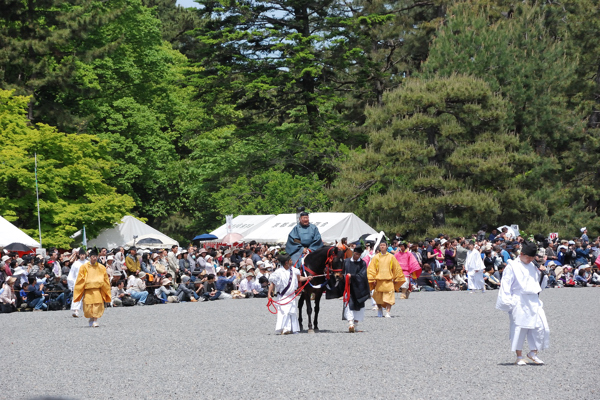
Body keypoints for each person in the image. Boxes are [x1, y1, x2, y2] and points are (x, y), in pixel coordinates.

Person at [496, 241, 549, 365]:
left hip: (533, 299)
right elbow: (506, 284)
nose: (530, 260)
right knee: (520, 327)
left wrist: (542, 273)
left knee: (541, 327)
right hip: (519, 299)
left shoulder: (533, 266)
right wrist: (507, 302)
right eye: (528, 257)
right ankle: (519, 356)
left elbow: (539, 284)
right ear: (522, 254)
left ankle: (533, 352)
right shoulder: (512, 266)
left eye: (532, 257)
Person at [268, 253, 312, 334]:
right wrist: (269, 294)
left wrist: (307, 278)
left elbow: (299, 278)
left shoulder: (294, 270)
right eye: (290, 260)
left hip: (292, 295)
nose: (292, 261)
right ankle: (284, 329)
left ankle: (292, 329)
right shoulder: (278, 272)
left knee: (292, 312)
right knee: (284, 312)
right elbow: (272, 284)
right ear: (286, 262)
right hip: (283, 296)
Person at [73, 248, 111, 327]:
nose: (95, 258)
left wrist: (103, 285)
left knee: (97, 305)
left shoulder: (101, 267)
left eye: (96, 256)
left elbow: (105, 279)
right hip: (88, 289)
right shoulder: (84, 267)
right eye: (93, 256)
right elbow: (80, 278)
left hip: (97, 289)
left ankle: (95, 320)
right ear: (90, 257)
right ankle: (91, 318)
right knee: (88, 306)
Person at [367, 241, 406, 318]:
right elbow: (372, 269)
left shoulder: (391, 257)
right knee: (378, 297)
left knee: (389, 297)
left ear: (386, 246)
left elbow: (396, 268)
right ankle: (380, 309)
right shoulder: (376, 257)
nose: (382, 247)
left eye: (384, 245)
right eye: (381, 245)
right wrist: (372, 278)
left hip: (388, 280)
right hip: (379, 280)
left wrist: (397, 277)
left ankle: (388, 312)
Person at [342, 247, 370, 333]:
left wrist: (352, 276)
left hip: (359, 287)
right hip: (348, 287)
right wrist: (345, 277)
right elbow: (342, 273)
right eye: (355, 253)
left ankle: (356, 326)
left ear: (360, 255)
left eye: (358, 254)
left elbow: (363, 275)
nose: (356, 255)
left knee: (359, 305)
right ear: (353, 253)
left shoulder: (362, 263)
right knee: (348, 304)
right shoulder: (346, 262)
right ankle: (350, 324)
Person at [68, 250, 87, 317]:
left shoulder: (88, 263)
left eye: (83, 254)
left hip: (87, 282)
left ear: (85, 255)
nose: (82, 256)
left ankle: (86, 311)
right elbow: (71, 274)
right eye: (81, 255)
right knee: (77, 296)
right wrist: (71, 283)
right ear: (79, 255)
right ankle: (76, 311)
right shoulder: (75, 263)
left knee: (86, 298)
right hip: (77, 282)